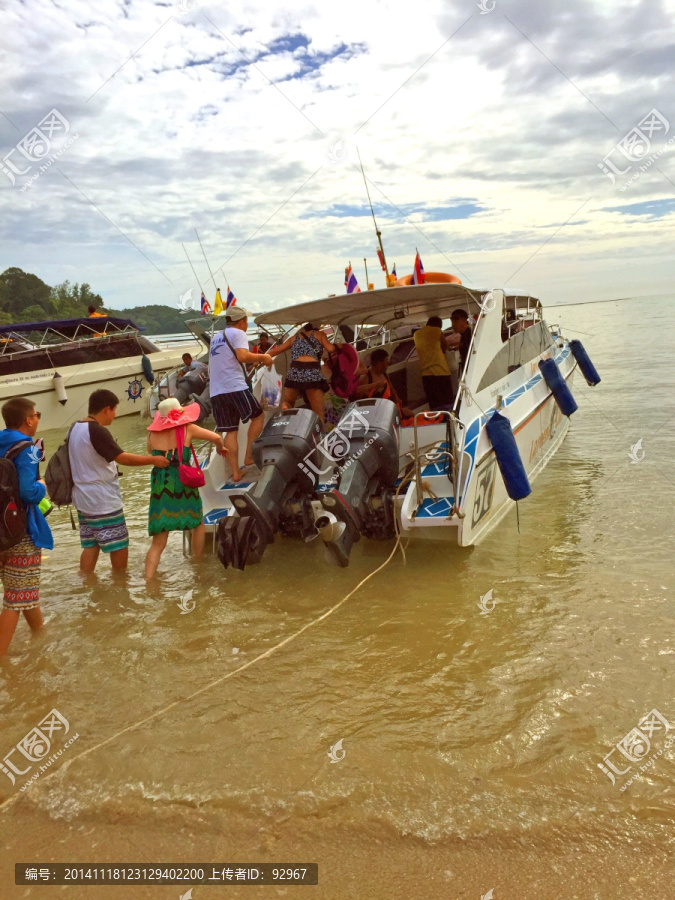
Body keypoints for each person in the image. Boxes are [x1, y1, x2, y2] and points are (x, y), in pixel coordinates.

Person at [69, 389, 169, 573]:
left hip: (82, 498)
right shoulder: (98, 431)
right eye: (114, 410)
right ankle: (120, 582)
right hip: (102, 499)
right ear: (107, 409)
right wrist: (153, 460)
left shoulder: (75, 428)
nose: (115, 415)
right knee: (120, 544)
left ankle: (86, 582)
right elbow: (122, 458)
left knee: (91, 545)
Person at [145, 398, 228, 579]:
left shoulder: (151, 434)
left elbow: (150, 452)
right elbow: (216, 437)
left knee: (158, 541)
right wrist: (220, 448)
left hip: (160, 484)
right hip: (182, 481)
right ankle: (197, 566)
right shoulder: (186, 429)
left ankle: (149, 581)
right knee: (196, 523)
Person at [0, 398, 53, 657]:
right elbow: (28, 492)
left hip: (1, 532)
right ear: (28, 420)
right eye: (37, 414)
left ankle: (40, 636)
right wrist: (42, 484)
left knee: (22, 588)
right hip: (21, 530)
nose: (37, 419)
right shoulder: (29, 448)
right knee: (14, 598)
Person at [209, 307, 274, 483]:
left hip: (216, 391)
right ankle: (249, 456)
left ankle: (236, 473)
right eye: (246, 321)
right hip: (234, 386)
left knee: (230, 432)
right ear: (242, 322)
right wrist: (265, 358)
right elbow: (243, 356)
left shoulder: (216, 337)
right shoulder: (237, 333)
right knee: (258, 416)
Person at [270, 322, 335, 423]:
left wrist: (257, 360)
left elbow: (275, 351)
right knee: (318, 413)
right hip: (312, 372)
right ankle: (320, 435)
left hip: (295, 370)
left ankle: (286, 411)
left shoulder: (294, 337)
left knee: (288, 402)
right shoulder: (320, 334)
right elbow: (331, 349)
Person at [355, 349, 415, 418]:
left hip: (386, 407)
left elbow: (391, 389)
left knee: (410, 414)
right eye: (386, 362)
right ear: (380, 363)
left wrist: (396, 399)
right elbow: (361, 402)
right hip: (373, 412)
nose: (387, 365)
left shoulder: (384, 374)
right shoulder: (365, 378)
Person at [413, 315, 455, 410]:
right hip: (441, 372)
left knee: (434, 404)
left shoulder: (416, 334)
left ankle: (436, 422)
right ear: (439, 326)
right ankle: (448, 421)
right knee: (447, 402)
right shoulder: (437, 331)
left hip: (426, 375)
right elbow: (445, 346)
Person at [449, 309, 473, 375]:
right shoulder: (463, 335)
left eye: (454, 322)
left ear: (463, 320)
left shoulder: (469, 335)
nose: (452, 325)